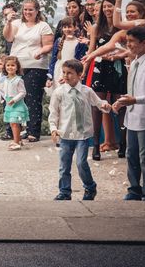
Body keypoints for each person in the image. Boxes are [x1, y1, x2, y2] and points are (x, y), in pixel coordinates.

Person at [49, 59, 111, 200]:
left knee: (81, 162)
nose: (66, 76)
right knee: (64, 166)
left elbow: (99, 103)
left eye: (70, 73)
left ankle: (90, 187)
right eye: (64, 72)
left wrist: (105, 106)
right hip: (65, 134)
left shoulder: (87, 91)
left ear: (79, 75)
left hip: (82, 135)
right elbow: (54, 112)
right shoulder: (59, 92)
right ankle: (65, 192)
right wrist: (53, 128)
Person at [112, 26, 145, 201]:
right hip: (131, 116)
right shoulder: (133, 63)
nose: (129, 45)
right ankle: (134, 188)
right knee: (131, 155)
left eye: (132, 42)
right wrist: (121, 102)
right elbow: (132, 89)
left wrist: (136, 100)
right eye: (128, 41)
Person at [3, 0, 54, 142]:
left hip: (35, 65)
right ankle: (14, 131)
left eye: (30, 9)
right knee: (13, 96)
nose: (27, 12)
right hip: (17, 65)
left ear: (37, 11)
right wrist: (8, 22)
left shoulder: (43, 26)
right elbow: (8, 37)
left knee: (32, 98)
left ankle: (33, 131)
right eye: (25, 9)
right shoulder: (17, 24)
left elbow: (49, 45)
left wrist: (40, 52)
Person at [85, 0, 128, 160]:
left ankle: (123, 145)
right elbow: (92, 48)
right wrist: (84, 68)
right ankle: (96, 145)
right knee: (97, 106)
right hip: (100, 67)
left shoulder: (121, 27)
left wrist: (117, 56)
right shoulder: (97, 27)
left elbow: (126, 47)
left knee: (121, 105)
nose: (107, 10)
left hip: (118, 67)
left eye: (110, 7)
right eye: (105, 7)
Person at [0, 56, 29, 151]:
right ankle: (18, 140)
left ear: (17, 67)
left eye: (13, 65)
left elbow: (23, 92)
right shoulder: (6, 79)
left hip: (16, 104)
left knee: (14, 123)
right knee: (12, 124)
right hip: (9, 104)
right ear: (5, 67)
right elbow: (4, 89)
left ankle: (16, 143)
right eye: (8, 65)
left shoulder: (18, 80)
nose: (10, 67)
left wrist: (14, 100)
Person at [46, 16, 89, 95]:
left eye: (69, 27)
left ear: (75, 27)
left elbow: (80, 61)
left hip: (73, 72)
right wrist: (50, 77)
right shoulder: (58, 41)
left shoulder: (79, 43)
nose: (67, 29)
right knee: (59, 95)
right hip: (59, 71)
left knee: (71, 94)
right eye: (64, 27)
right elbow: (53, 60)